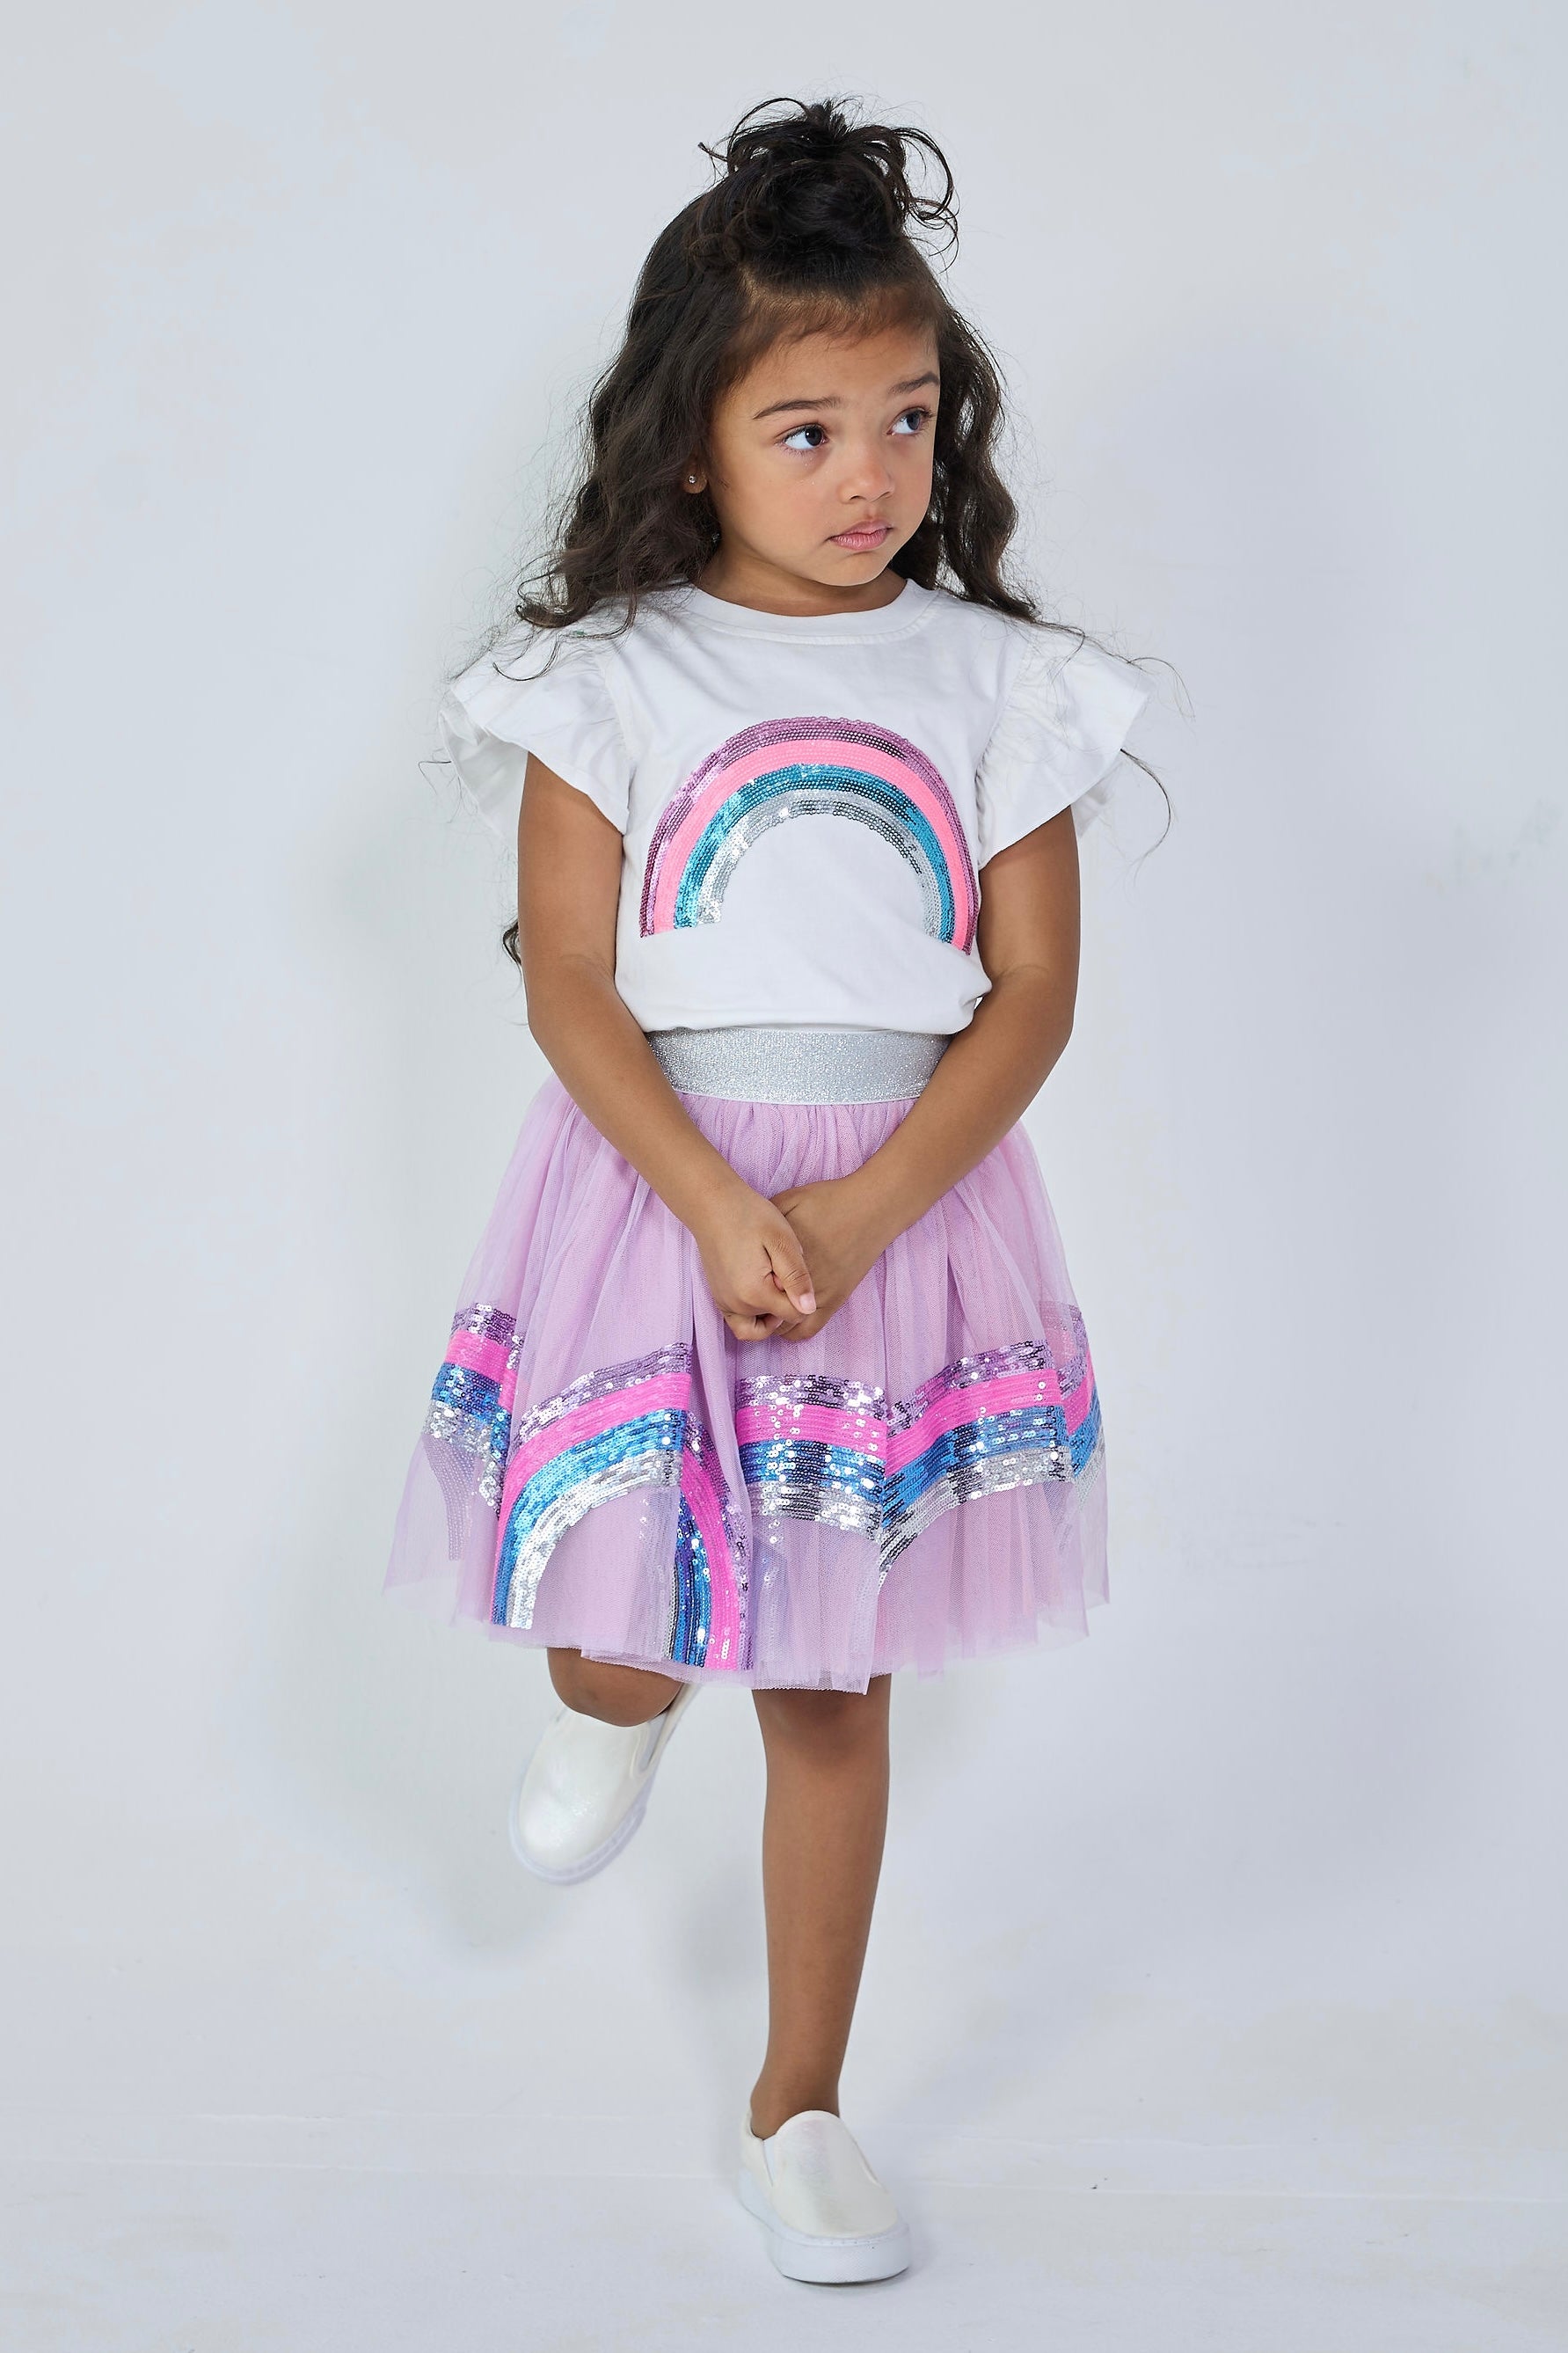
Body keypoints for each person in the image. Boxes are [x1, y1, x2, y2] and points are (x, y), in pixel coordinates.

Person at [386, 94, 1158, 2285]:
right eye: (805, 431)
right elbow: (569, 982)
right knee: (629, 1608)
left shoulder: (1002, 682)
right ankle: (607, 1706)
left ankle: (798, 2106)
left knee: (831, 1679)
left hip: (902, 1206)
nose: (867, 475)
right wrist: (720, 1203)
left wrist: (860, 1215)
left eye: (904, 419)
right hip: (658, 1184)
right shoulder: (611, 678)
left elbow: (1029, 999)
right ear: (693, 439)